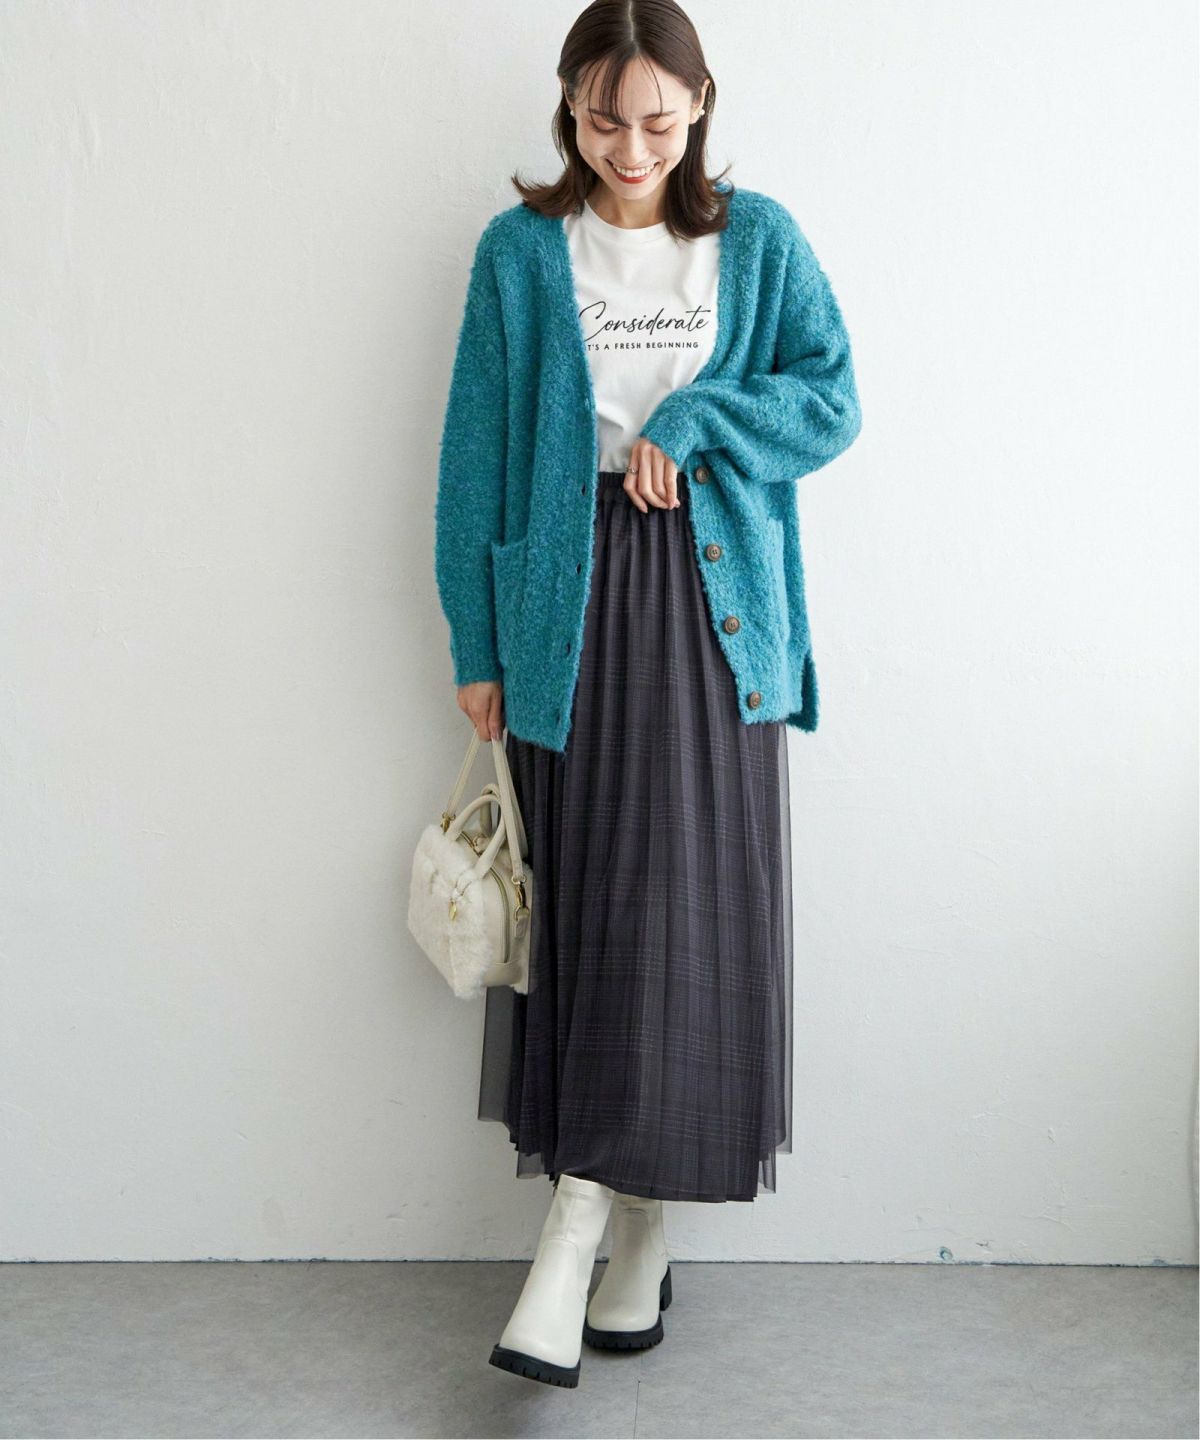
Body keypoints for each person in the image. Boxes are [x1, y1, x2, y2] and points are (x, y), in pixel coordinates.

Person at [433, 0, 862, 1389]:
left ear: (701, 105)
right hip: (567, 618)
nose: (629, 148)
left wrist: (698, 417)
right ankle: (625, 1232)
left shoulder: (760, 241)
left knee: (690, 918)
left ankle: (586, 1237)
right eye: (603, 118)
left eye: (658, 121)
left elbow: (831, 398)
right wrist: (478, 642)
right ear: (569, 105)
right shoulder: (519, 253)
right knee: (597, 914)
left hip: (715, 614)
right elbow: (472, 456)